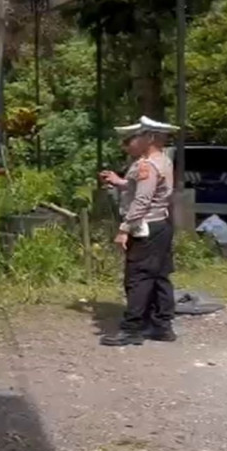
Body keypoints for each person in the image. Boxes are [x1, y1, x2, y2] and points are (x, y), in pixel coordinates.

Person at [98, 116, 179, 346]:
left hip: (146, 226)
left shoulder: (147, 165)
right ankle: (162, 325)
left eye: (140, 136)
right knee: (160, 275)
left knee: (138, 277)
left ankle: (133, 328)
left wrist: (124, 228)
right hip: (161, 225)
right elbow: (144, 189)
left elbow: (142, 200)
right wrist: (120, 182)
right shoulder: (162, 160)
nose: (135, 140)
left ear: (150, 138)